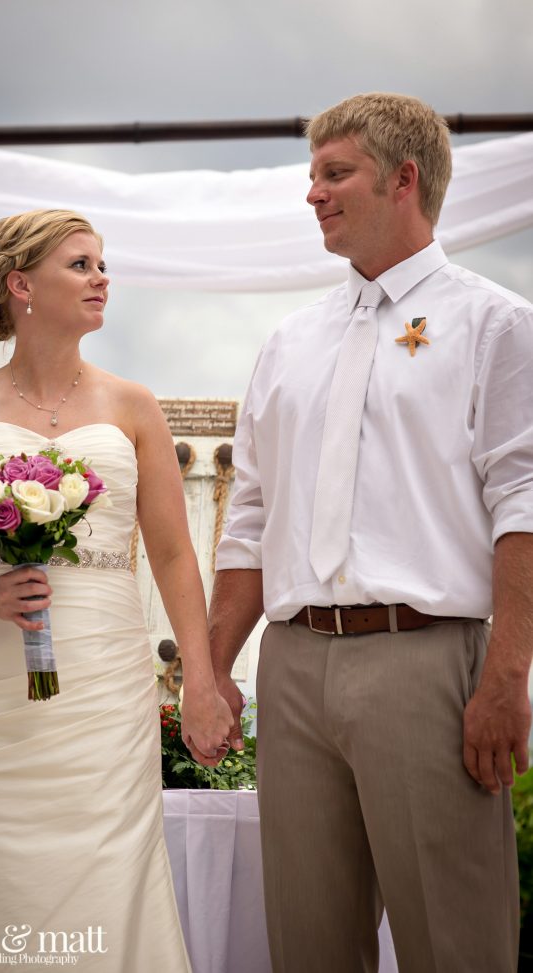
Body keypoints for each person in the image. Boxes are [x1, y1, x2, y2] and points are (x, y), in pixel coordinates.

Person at [204, 93, 533, 972]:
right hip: (293, 665)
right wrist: (210, 669)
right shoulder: (289, 340)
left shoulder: (495, 323)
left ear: (405, 178)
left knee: (454, 943)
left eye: (334, 173)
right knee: (306, 944)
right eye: (312, 175)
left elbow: (524, 503)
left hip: (424, 663)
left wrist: (507, 675)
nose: (313, 193)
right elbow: (250, 515)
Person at [0, 208, 232, 971]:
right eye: (81, 264)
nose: (102, 277)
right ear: (20, 285)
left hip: (103, 679)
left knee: (105, 865)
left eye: (102, 263)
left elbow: (174, 555)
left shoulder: (133, 406)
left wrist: (202, 680)